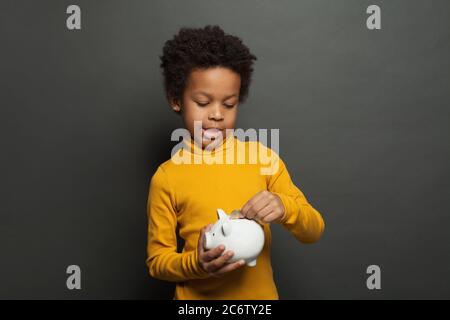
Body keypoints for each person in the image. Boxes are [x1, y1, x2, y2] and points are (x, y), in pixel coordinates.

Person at [146, 25, 325, 299]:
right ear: (175, 99)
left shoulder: (263, 159)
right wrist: (197, 263)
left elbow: (313, 230)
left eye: (229, 104)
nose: (217, 114)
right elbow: (157, 262)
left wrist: (285, 207)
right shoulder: (167, 177)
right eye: (203, 102)